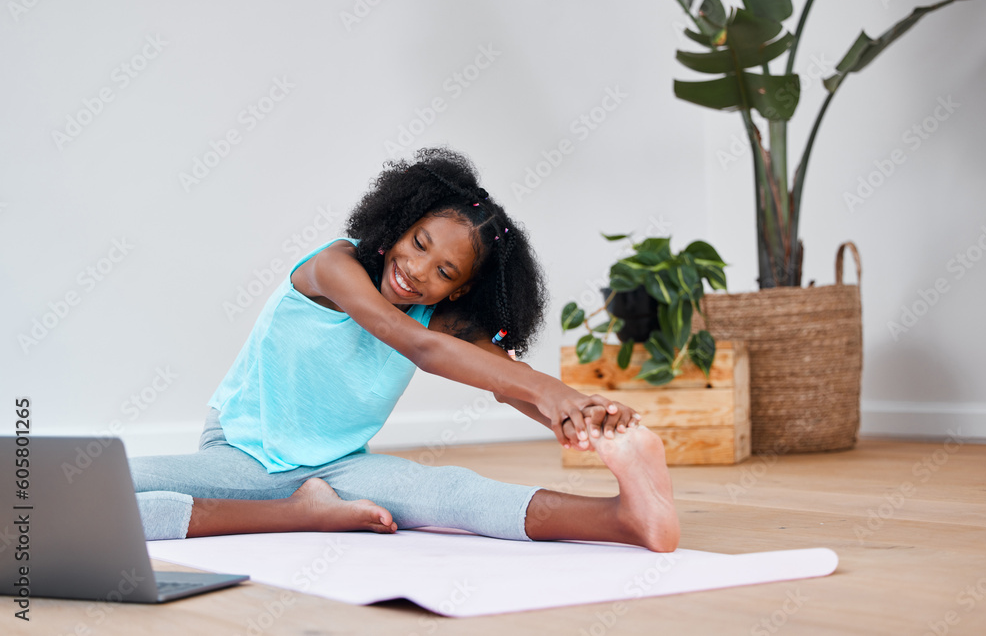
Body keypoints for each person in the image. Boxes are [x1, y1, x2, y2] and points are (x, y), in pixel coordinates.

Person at [130, 148, 679, 552]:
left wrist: (583, 415)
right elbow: (415, 344)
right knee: (103, 496)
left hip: (338, 467)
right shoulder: (332, 267)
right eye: (418, 243)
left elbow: (501, 376)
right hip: (246, 453)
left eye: (444, 271)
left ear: (459, 289)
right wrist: (551, 392)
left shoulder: (440, 313)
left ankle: (627, 518)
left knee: (449, 492)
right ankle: (300, 515)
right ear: (397, 225)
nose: (416, 271)